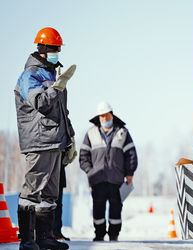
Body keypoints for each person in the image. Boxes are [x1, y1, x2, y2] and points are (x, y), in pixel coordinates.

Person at [14, 27, 77, 250]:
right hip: (38, 141)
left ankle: (44, 238)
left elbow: (62, 112)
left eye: (58, 48)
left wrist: (70, 137)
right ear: (42, 49)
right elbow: (40, 102)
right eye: (55, 48)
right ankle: (27, 240)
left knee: (50, 193)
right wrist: (56, 88)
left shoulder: (52, 75)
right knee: (32, 190)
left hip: (55, 141)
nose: (58, 52)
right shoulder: (29, 76)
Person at [79, 101, 138, 241]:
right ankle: (99, 234)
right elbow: (83, 156)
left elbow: (131, 155)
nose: (104, 119)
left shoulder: (122, 133)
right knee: (98, 207)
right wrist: (90, 171)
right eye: (101, 116)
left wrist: (130, 173)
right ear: (98, 118)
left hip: (116, 178)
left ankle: (114, 234)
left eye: (106, 115)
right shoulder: (91, 133)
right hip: (97, 179)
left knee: (116, 207)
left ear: (111, 115)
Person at [53, 154, 70, 241]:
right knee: (46, 204)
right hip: (47, 173)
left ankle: (56, 232)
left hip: (59, 173)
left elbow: (66, 159)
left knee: (58, 205)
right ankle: (46, 233)